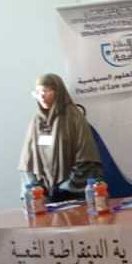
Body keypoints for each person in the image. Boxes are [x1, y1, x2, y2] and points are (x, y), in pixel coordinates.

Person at [19, 73, 103, 201]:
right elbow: (27, 162)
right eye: (38, 92)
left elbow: (86, 157)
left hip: (72, 195)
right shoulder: (36, 122)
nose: (42, 96)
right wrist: (36, 187)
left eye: (46, 91)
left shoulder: (73, 117)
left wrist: (65, 187)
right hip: (44, 196)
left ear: (58, 92)